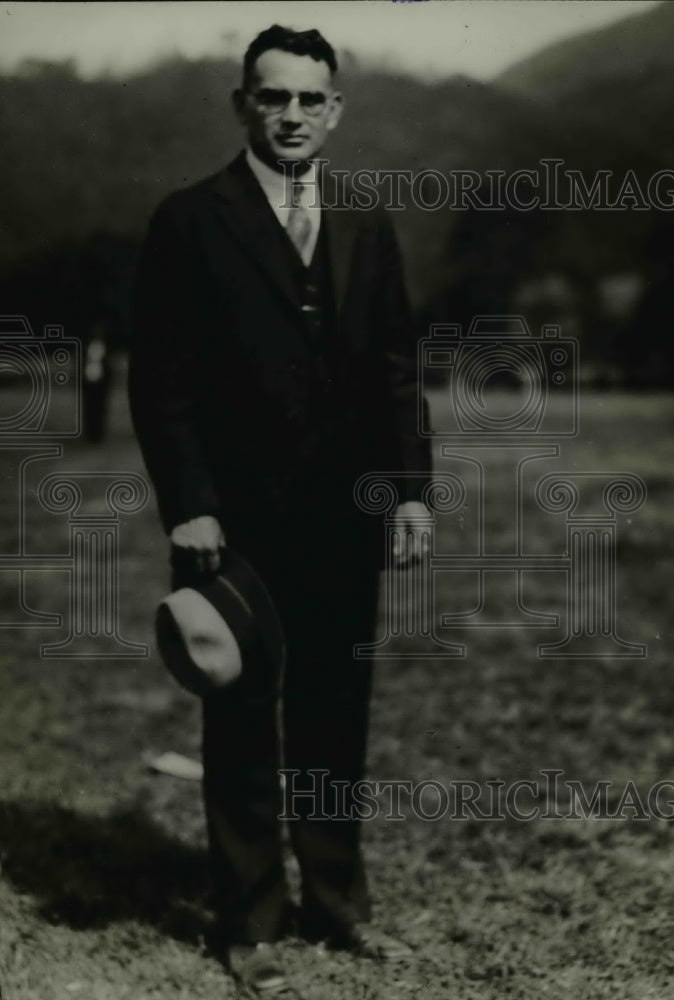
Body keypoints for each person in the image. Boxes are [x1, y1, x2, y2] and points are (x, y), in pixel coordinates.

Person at [129, 25, 431, 994]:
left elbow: (395, 373)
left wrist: (410, 491)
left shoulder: (368, 223)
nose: (293, 115)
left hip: (345, 515)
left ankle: (337, 904)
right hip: (236, 523)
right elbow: (161, 383)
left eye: (311, 99)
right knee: (244, 714)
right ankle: (248, 917)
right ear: (243, 105)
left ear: (336, 109)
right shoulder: (192, 219)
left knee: (338, 710)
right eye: (274, 97)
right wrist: (191, 508)